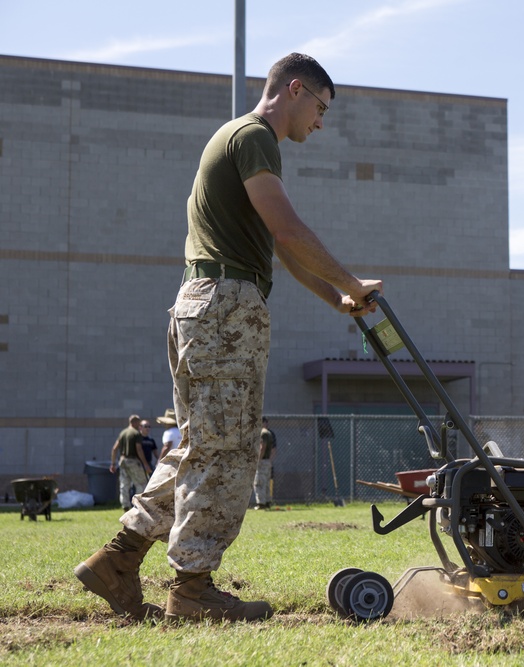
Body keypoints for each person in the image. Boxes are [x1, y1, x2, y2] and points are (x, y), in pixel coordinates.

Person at [75, 53, 382, 624]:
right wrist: (352, 279)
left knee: (199, 445)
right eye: (321, 108)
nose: (321, 122)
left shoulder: (238, 140)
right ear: (295, 91)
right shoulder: (254, 137)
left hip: (203, 305)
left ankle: (118, 560)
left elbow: (282, 249)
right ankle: (191, 589)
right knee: (230, 450)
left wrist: (337, 297)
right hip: (225, 308)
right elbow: (289, 229)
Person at [110, 415, 152, 511]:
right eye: (139, 423)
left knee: (124, 484)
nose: (140, 425)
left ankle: (125, 505)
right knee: (141, 483)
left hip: (122, 461)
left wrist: (113, 463)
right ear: (135, 422)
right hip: (133, 461)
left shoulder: (123, 433)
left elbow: (114, 448)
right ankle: (139, 506)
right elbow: (139, 449)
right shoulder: (136, 433)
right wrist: (145, 464)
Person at [253, 418, 276, 510]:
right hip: (267, 461)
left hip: (262, 461)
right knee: (266, 482)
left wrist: (258, 459)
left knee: (259, 482)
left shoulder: (263, 433)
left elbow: (262, 447)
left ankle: (261, 503)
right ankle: (267, 501)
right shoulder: (269, 433)